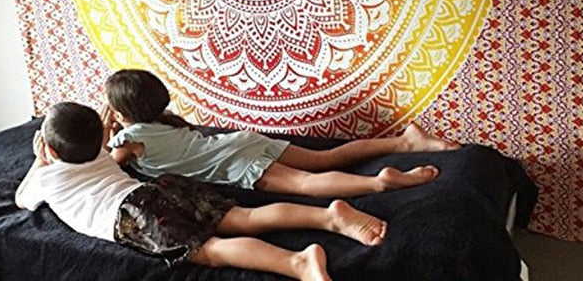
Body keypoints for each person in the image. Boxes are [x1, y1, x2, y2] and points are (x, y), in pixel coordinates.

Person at [16, 102, 388, 281]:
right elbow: (97, 138)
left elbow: (23, 199)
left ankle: (297, 263)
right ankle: (329, 216)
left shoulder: (47, 177)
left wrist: (40, 161)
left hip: (132, 215)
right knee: (244, 217)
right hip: (159, 189)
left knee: (210, 251)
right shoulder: (99, 152)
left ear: (49, 150)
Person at [103, 69, 459, 198]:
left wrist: (105, 129)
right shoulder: (166, 121)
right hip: (241, 141)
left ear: (121, 112)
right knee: (326, 158)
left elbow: (102, 161)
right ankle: (405, 141)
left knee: (305, 184)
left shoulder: (126, 142)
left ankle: (378, 183)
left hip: (238, 165)